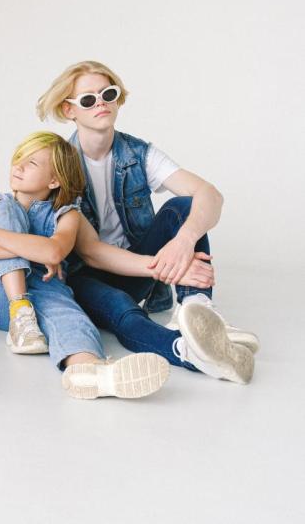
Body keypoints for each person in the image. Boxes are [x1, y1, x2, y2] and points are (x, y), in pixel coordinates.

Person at [35, 60, 257, 385]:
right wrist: (162, 267)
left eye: (108, 94)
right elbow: (91, 252)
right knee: (123, 309)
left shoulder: (137, 153)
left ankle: (197, 309)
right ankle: (190, 352)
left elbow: (210, 195)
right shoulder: (62, 166)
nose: (100, 104)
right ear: (70, 110)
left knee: (184, 207)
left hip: (137, 269)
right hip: (85, 278)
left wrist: (182, 243)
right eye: (88, 99)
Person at [0, 131, 204, 399]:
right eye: (18, 159)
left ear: (54, 180)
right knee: (7, 212)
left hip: (46, 289)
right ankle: (20, 310)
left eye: (30, 163)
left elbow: (55, 252)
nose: (17, 167)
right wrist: (37, 251)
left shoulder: (67, 215)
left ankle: (91, 372)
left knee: (73, 320)